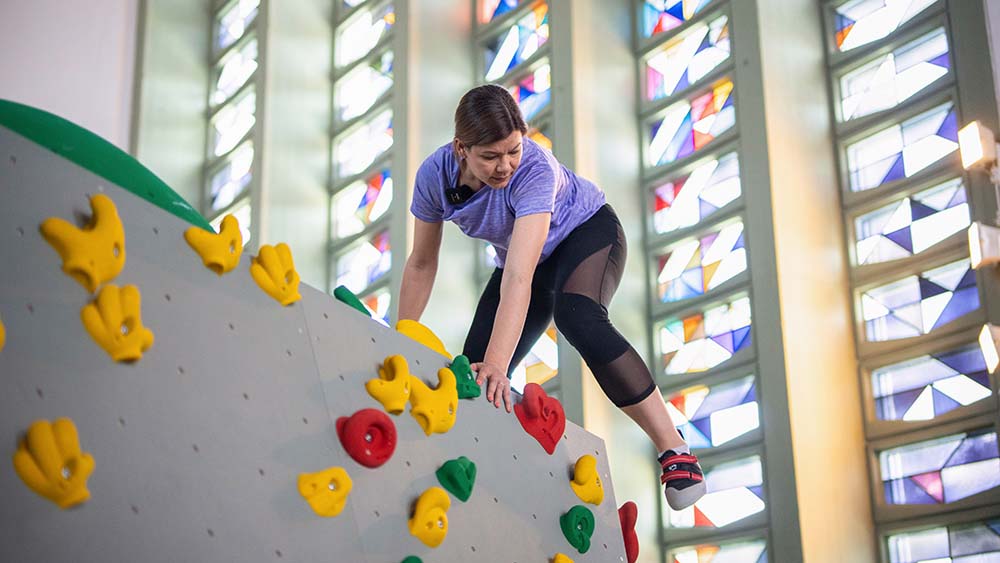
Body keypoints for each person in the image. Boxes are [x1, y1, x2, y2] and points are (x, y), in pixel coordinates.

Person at [397, 84, 706, 510]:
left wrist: (501, 367)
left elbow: (520, 279)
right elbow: (420, 264)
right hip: (527, 262)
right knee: (470, 374)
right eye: (490, 156)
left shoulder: (534, 169)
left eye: (513, 150)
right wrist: (400, 335)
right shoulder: (434, 177)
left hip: (586, 233)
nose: (505, 166)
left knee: (576, 315)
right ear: (460, 149)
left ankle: (675, 449)